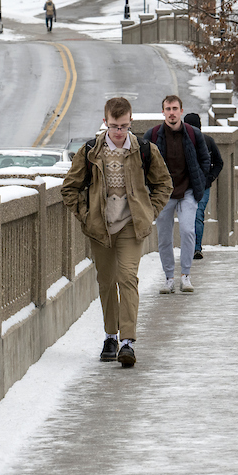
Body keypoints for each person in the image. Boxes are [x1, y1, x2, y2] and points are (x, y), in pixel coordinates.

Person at [61, 96, 172, 368]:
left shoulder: (145, 149)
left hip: (131, 227)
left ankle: (128, 342)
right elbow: (69, 188)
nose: (119, 132)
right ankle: (110, 336)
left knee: (127, 278)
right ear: (105, 123)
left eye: (123, 126)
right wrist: (86, 217)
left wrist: (149, 211)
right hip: (101, 229)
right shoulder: (90, 151)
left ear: (131, 122)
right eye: (114, 126)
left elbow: (164, 184)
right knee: (107, 281)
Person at [144, 95, 211, 294]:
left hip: (188, 191)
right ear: (163, 111)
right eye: (168, 108)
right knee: (164, 236)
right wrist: (152, 188)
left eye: (175, 108)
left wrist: (199, 180)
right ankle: (168, 278)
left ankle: (186, 276)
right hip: (163, 194)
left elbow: (205, 161)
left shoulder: (193, 133)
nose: (172, 112)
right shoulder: (153, 135)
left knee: (188, 231)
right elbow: (143, 163)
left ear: (181, 111)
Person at [183, 112, 223, 260]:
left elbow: (219, 163)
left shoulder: (207, 141)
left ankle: (196, 248)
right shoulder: (179, 142)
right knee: (190, 216)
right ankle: (190, 247)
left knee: (197, 214)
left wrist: (209, 179)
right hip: (185, 186)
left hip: (202, 186)